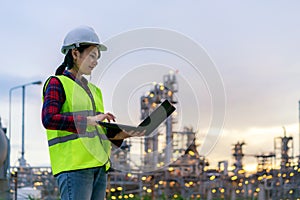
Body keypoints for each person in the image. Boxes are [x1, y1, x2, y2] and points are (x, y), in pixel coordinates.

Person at [42, 26, 141, 200]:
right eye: (92, 55)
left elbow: (96, 130)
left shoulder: (94, 91)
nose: (95, 62)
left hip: (99, 166)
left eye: (97, 57)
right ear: (75, 54)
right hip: (75, 168)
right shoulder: (57, 83)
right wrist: (88, 120)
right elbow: (49, 119)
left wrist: (122, 134)